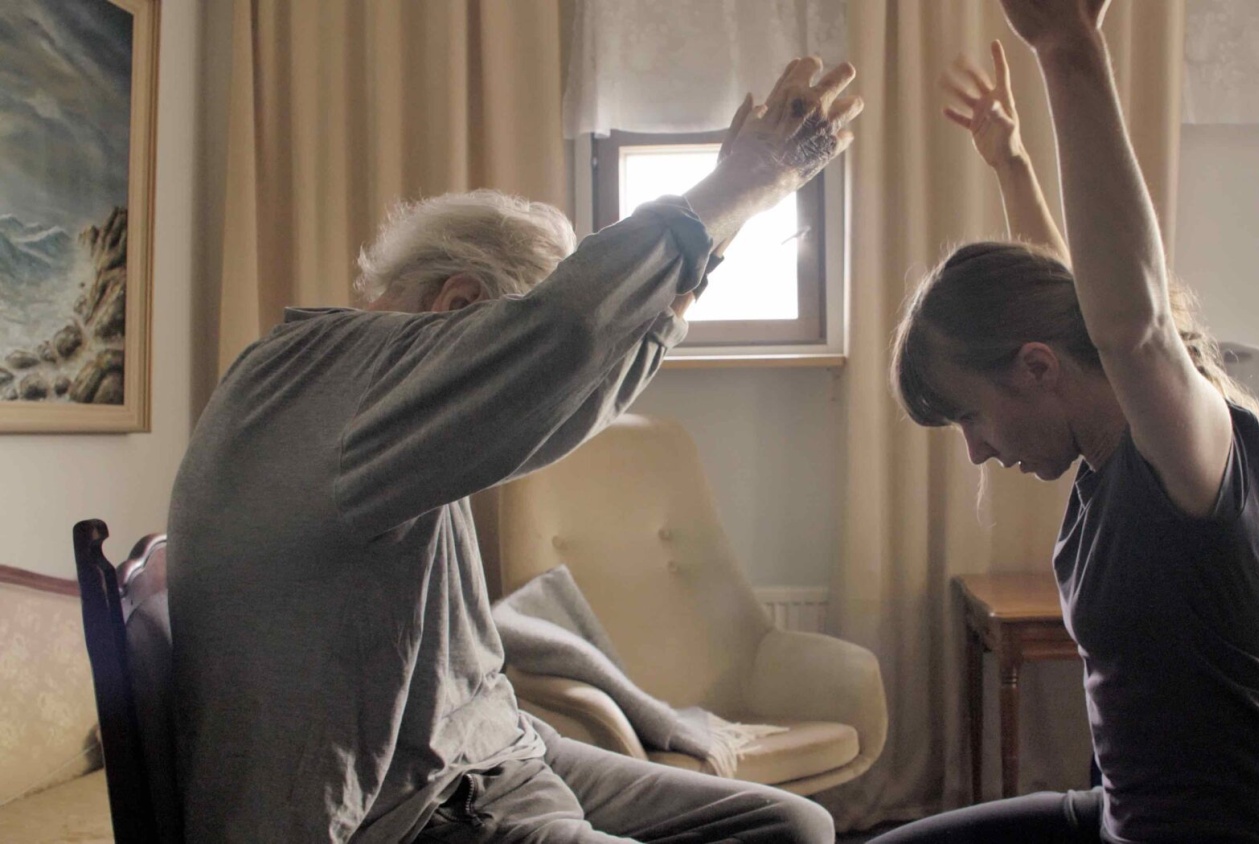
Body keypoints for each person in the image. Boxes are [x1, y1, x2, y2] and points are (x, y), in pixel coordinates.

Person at [168, 57, 861, 843]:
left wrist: (708, 247)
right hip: (416, 803)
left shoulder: (364, 391)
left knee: (794, 826)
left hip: (498, 748)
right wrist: (741, 182)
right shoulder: (335, 380)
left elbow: (581, 380)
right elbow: (563, 338)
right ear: (460, 303)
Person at [877, 1, 1259, 842]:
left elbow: (1127, 324)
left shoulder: (1189, 452)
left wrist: (1068, 46)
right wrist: (1012, 163)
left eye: (971, 417)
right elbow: (1069, 295)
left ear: (1035, 370)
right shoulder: (1102, 448)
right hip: (1130, 817)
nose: (980, 450)